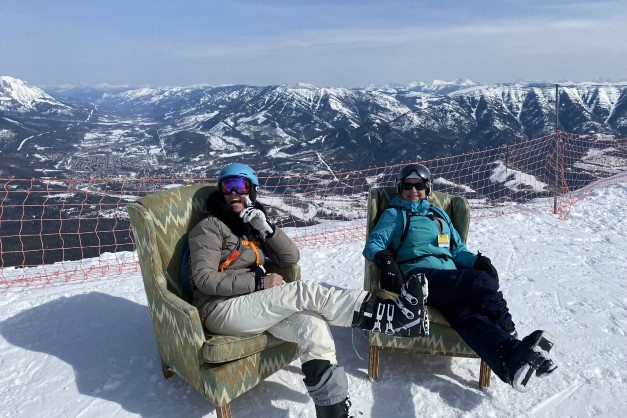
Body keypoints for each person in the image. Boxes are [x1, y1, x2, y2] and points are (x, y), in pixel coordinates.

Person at [188, 163, 428, 418]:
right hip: (220, 309)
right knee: (306, 291)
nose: (234, 192)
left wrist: (266, 229)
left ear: (253, 191)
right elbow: (204, 279)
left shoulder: (250, 224)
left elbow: (291, 258)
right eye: (228, 186)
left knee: (312, 325)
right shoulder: (210, 227)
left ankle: (332, 413)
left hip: (254, 307)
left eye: (241, 185)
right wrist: (258, 283)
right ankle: (390, 316)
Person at [363, 163, 558, 392]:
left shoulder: (440, 215)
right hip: (419, 279)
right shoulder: (395, 214)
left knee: (469, 316)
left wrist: (477, 261)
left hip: (448, 282)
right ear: (400, 187)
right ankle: (510, 330)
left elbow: (457, 250)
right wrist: (385, 259)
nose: (413, 190)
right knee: (480, 282)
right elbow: (373, 244)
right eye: (407, 185)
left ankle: (511, 364)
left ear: (428, 188)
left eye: (419, 186)